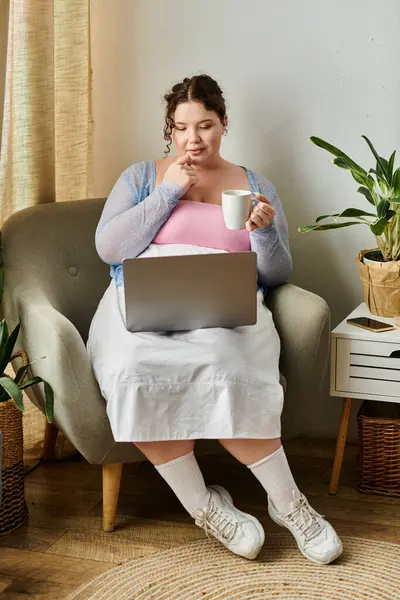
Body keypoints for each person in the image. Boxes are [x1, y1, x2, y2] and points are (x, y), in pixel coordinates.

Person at [88, 74, 342, 565]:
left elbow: (279, 272)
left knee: (230, 363)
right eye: (182, 128)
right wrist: (166, 194)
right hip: (141, 305)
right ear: (170, 129)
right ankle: (205, 507)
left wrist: (264, 234)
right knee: (134, 369)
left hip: (225, 307)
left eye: (205, 125)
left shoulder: (255, 184)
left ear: (224, 123)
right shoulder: (141, 177)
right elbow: (109, 248)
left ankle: (290, 506)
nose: (193, 139)